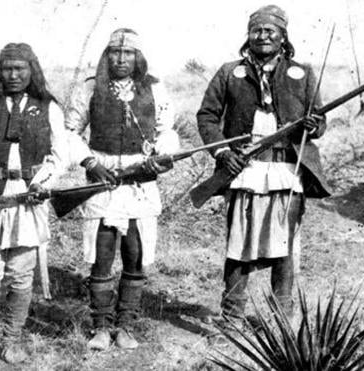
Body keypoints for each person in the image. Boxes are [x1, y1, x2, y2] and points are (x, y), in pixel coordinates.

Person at [196, 5, 331, 327]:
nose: (263, 36)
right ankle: (231, 320)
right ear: (248, 35)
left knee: (284, 250)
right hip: (244, 173)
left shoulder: (303, 72)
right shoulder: (230, 72)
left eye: (271, 30)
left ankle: (282, 324)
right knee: (238, 248)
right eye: (257, 30)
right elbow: (207, 116)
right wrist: (223, 152)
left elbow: (320, 121)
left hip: (287, 173)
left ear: (283, 36)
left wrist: (313, 126)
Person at [0, 43, 69, 366]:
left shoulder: (49, 107)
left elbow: (61, 157)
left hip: (29, 199)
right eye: (8, 68)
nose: (14, 75)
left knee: (21, 272)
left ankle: (12, 340)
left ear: (32, 70)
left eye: (21, 68)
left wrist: (41, 185)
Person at [65, 28, 179, 350]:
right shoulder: (90, 88)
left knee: (134, 253)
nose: (121, 58)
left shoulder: (154, 88)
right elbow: (70, 132)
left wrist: (161, 156)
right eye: (115, 51)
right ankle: (100, 326)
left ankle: (126, 326)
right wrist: (89, 161)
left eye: (128, 53)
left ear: (138, 56)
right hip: (102, 181)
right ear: (106, 54)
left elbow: (166, 131)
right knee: (101, 255)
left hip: (139, 180)